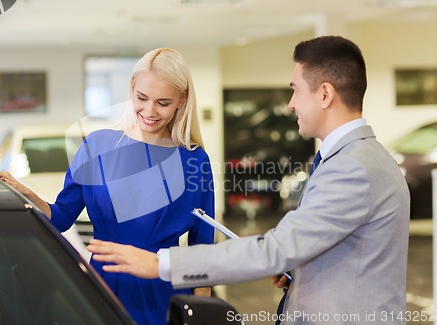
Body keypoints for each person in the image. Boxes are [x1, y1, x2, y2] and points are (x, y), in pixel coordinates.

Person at [86, 36, 411, 325]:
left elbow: (276, 249)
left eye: (295, 90)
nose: (291, 103)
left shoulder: (353, 168)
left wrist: (162, 263)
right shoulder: (351, 159)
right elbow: (337, 250)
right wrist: (298, 274)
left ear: (325, 94)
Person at [0, 47, 215, 325]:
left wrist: (202, 314)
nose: (149, 111)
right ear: (132, 89)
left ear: (181, 101)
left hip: (162, 288)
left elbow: (203, 247)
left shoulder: (194, 159)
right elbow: (61, 216)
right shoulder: (97, 146)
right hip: (100, 284)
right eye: (141, 98)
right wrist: (23, 191)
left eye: (162, 102)